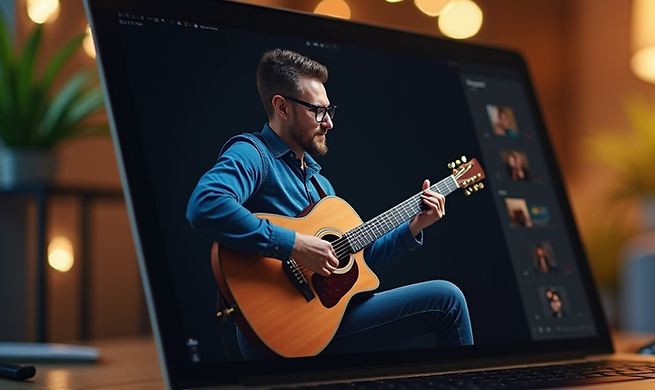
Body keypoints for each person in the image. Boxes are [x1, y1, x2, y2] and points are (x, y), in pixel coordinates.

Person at [187, 49, 474, 359]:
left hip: (325, 322)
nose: (328, 123)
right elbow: (206, 204)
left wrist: (416, 225)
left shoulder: (321, 187)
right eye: (317, 111)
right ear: (282, 107)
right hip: (280, 330)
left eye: (329, 111)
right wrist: (295, 245)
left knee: (445, 299)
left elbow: (357, 265)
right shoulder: (254, 155)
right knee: (447, 298)